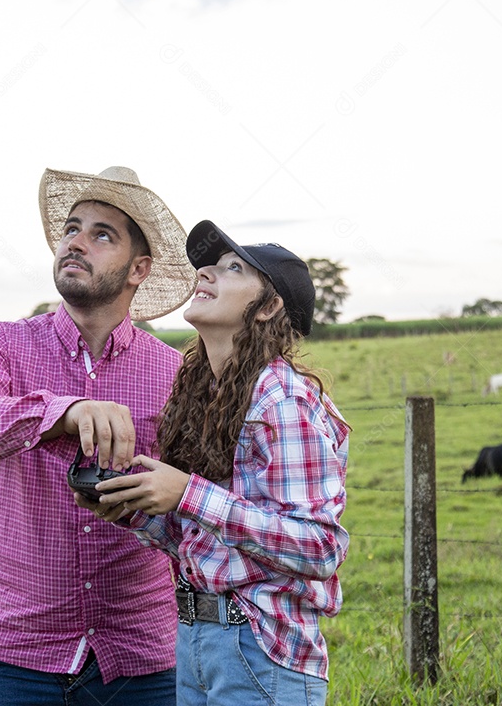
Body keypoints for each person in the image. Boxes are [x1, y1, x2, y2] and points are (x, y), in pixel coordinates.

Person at [0, 166, 196, 705]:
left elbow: (197, 503)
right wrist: (65, 413)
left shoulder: (175, 373)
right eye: (71, 229)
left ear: (138, 268)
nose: (76, 242)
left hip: (142, 657)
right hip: (18, 654)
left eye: (102, 235)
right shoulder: (1, 345)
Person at [84, 219, 350, 706]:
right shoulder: (207, 396)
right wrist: (135, 509)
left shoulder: (281, 399)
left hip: (261, 650)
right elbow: (211, 543)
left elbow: (320, 547)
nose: (205, 273)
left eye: (232, 269)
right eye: (208, 266)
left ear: (268, 307)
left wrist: (188, 493)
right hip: (196, 641)